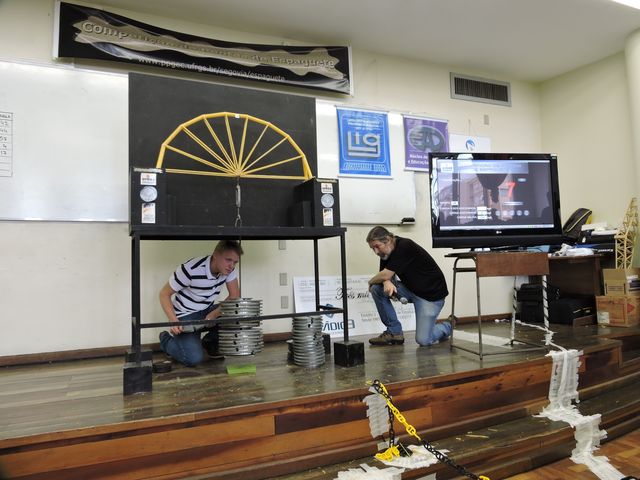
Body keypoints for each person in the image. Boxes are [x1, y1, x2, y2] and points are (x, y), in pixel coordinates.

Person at [158, 240, 243, 366]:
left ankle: (210, 343)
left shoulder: (229, 270)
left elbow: (234, 296)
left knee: (237, 312)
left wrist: (214, 314)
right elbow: (164, 294)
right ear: (215, 255)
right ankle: (165, 340)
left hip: (207, 310)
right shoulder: (190, 269)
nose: (231, 266)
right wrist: (173, 320)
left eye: (235, 262)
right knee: (193, 359)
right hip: (186, 315)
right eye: (228, 260)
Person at [366, 226, 451, 346]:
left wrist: (371, 281)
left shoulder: (405, 246)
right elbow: (384, 275)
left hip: (430, 296)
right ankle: (394, 332)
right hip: (411, 289)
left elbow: (385, 274)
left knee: (423, 340)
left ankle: (447, 326)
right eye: (372, 248)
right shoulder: (385, 253)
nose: (376, 252)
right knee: (377, 289)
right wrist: (386, 281)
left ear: (388, 240)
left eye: (377, 246)